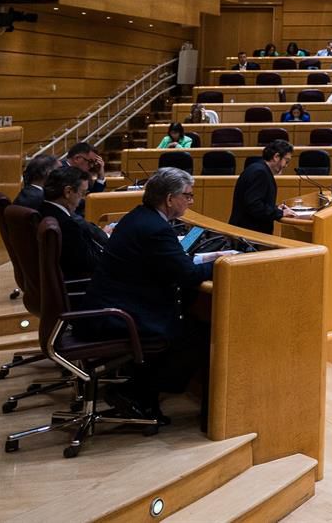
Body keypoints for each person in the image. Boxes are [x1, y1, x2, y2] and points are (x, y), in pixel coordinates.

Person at [81, 167, 227, 420]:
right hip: (122, 313)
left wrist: (207, 257)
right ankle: (138, 393)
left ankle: (140, 391)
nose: (190, 201)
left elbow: (168, 261)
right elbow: (187, 275)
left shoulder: (139, 216)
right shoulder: (155, 229)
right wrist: (224, 263)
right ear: (170, 199)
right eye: (188, 196)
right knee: (201, 333)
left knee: (190, 316)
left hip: (115, 302)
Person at [37, 164, 106, 279]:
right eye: (82, 193)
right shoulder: (67, 224)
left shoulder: (42, 210)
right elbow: (90, 263)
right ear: (68, 192)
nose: (83, 199)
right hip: (78, 285)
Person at [229, 140, 293, 235]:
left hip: (247, 232)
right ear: (276, 157)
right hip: (249, 235)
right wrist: (279, 213)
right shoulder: (260, 173)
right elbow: (254, 206)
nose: (286, 165)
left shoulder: (258, 168)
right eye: (286, 161)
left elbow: (256, 201)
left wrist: (275, 208)